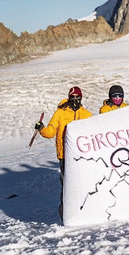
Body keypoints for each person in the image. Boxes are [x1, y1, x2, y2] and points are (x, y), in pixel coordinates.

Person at [34, 86, 93, 219]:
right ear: (68, 97)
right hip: (65, 156)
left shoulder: (86, 115)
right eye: (72, 97)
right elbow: (51, 132)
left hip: (82, 156)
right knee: (67, 187)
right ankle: (66, 215)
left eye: (78, 97)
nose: (75, 100)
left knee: (84, 184)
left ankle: (85, 212)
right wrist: (42, 128)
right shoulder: (60, 113)